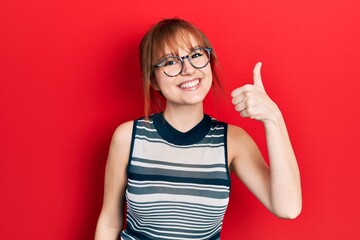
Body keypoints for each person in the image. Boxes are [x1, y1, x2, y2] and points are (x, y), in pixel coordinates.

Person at [94, 18, 302, 240]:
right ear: (153, 80)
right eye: (170, 61)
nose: (188, 69)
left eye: (195, 55)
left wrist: (273, 118)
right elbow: (109, 222)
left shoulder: (233, 141)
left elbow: (288, 208)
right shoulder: (128, 138)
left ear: (209, 62)